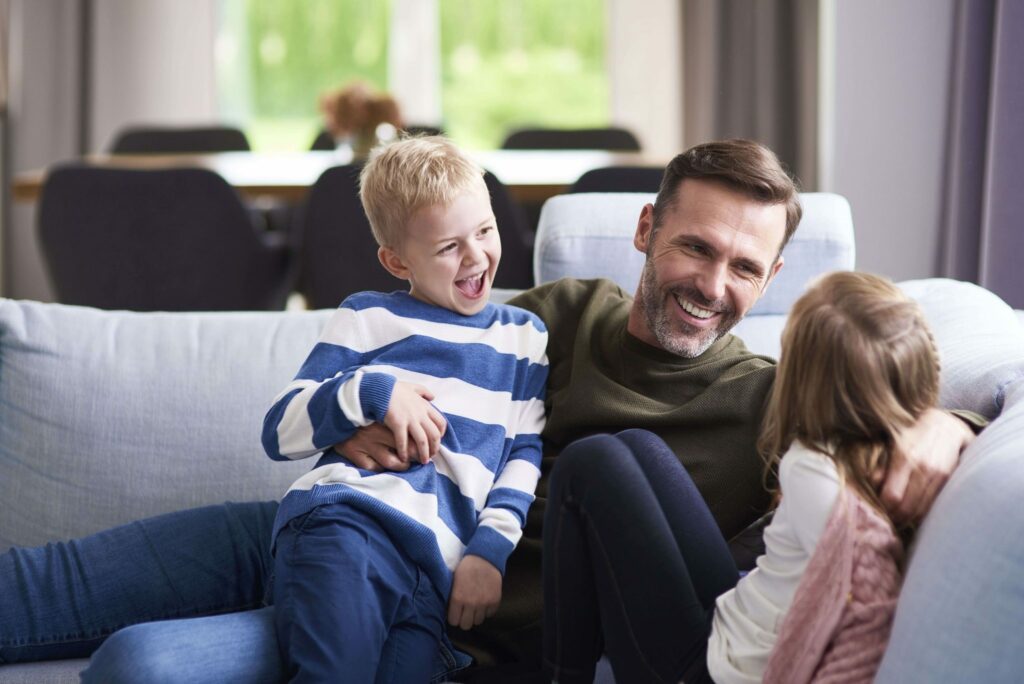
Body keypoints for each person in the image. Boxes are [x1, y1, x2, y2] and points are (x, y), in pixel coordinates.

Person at [0, 140, 975, 683]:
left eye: (742, 267)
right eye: (693, 248)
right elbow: (392, 323)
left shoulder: (766, 402)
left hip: (422, 617)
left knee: (142, 667)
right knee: (47, 586)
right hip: (316, 519)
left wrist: (938, 427)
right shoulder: (555, 312)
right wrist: (356, 410)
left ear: (767, 280)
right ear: (646, 230)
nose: (709, 284)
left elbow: (931, 399)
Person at [542, 271, 964, 683]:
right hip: (731, 624)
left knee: (588, 461)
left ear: (799, 378)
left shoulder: (812, 468)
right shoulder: (890, 459)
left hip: (701, 670)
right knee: (639, 443)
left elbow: (865, 605)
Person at [263, 136, 548, 682]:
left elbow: (524, 451)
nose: (475, 257)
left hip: (434, 576)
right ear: (397, 261)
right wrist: (373, 391)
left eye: (485, 231)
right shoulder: (366, 318)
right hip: (350, 528)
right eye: (448, 247)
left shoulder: (524, 337)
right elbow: (279, 429)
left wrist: (489, 552)